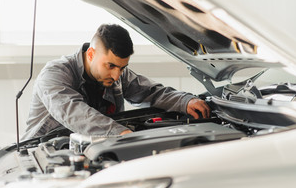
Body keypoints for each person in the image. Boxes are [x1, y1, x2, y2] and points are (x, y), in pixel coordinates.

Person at [22, 24, 210, 140]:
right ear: (91, 54)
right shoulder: (55, 73)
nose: (116, 75)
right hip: (41, 152)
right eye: (110, 65)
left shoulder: (117, 75)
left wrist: (185, 101)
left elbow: (150, 92)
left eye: (122, 67)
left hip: (95, 149)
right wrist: (119, 133)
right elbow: (73, 112)